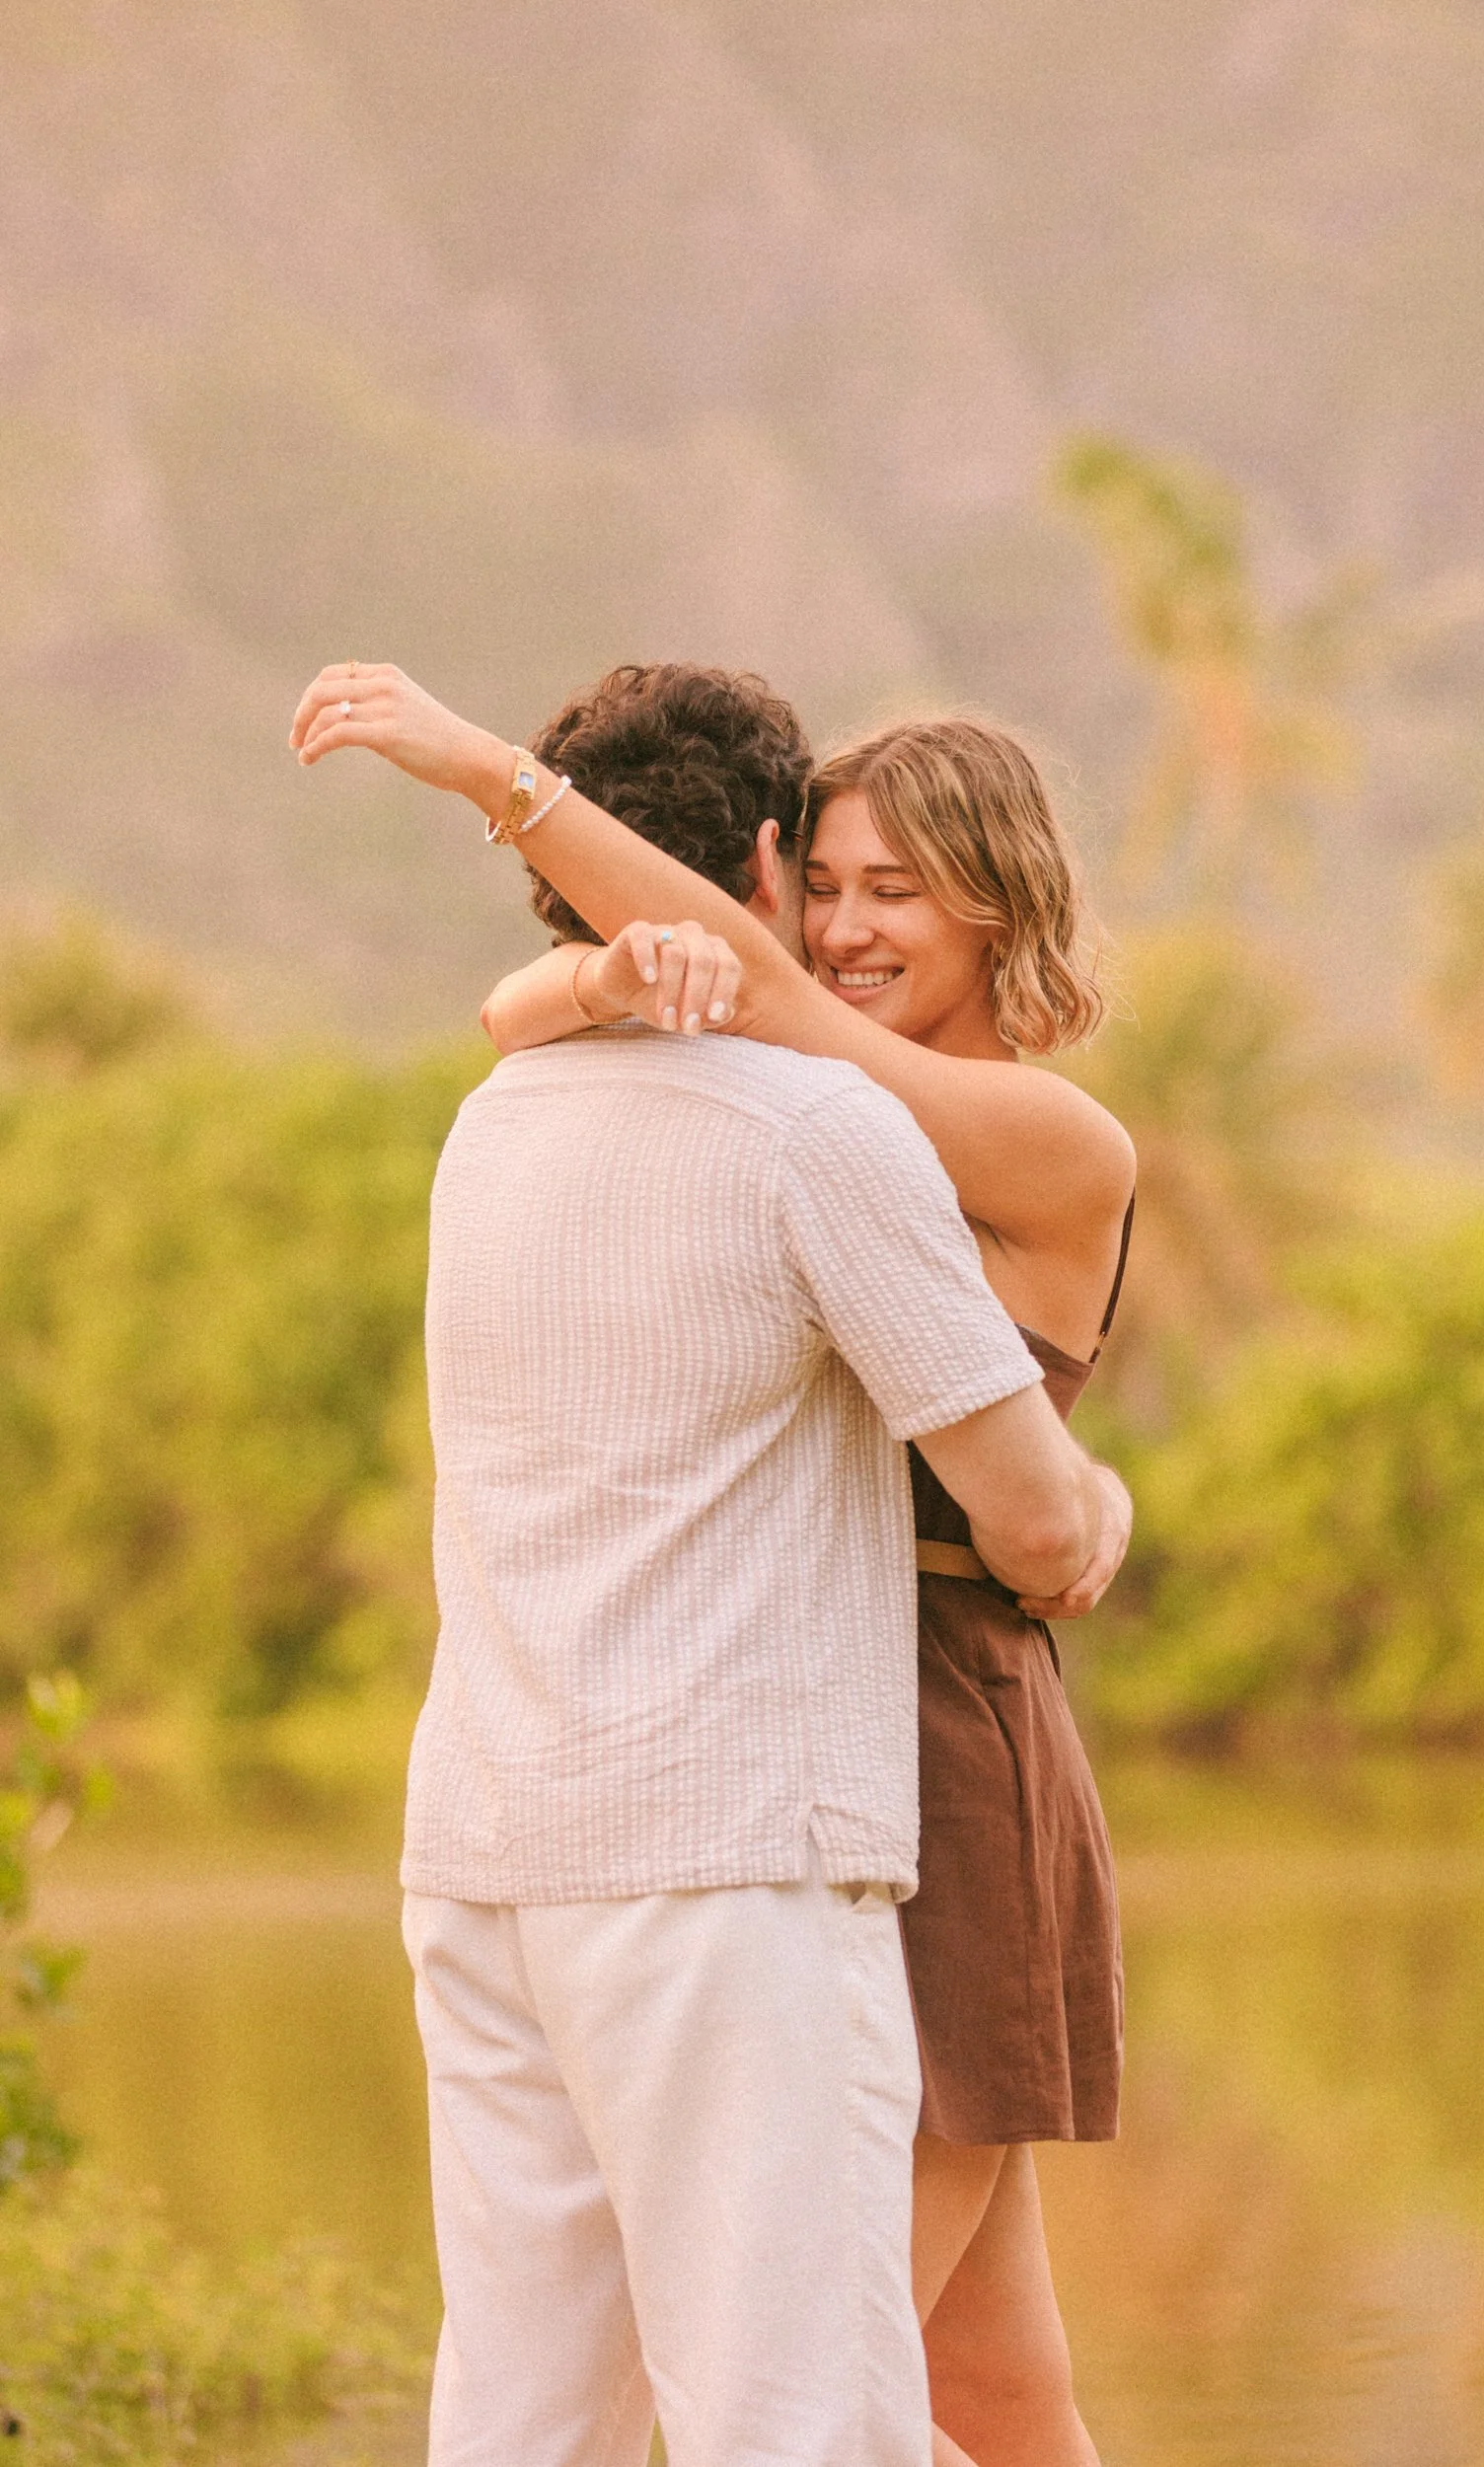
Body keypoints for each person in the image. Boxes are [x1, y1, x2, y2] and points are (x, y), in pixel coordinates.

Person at [290, 659, 1131, 2467]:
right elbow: (537, 1009)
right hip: (777, 1727)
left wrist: (484, 777)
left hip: (931, 1740)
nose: (839, 927)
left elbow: (731, 1000)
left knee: (805, 2383)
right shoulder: (763, 1089)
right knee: (990, 2392)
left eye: (895, 890)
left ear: (1002, 900)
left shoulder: (1027, 1135)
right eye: (819, 880)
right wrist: (591, 974)